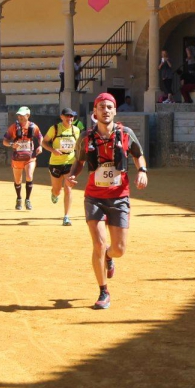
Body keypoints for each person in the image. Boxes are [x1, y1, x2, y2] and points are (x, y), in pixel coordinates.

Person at [66, 92, 148, 310]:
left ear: (115, 111)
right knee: (99, 244)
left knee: (119, 249)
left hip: (119, 197)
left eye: (109, 107)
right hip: (94, 197)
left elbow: (138, 154)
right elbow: (79, 160)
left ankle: (110, 258)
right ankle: (103, 291)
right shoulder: (86, 137)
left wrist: (142, 170)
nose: (105, 110)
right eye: (101, 107)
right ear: (95, 112)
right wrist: (73, 175)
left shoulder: (126, 134)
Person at [42, 108, 81, 226]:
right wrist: (53, 150)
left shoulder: (76, 130)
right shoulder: (54, 129)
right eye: (67, 116)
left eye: (72, 116)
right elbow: (44, 142)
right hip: (55, 163)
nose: (70, 118)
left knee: (68, 188)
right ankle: (54, 193)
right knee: (57, 190)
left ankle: (66, 217)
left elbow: (78, 146)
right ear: (62, 117)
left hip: (70, 162)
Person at [4, 106, 43, 210]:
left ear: (28, 115)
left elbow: (40, 137)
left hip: (30, 156)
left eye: (22, 115)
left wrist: (40, 146)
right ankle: (19, 198)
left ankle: (28, 199)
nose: (19, 117)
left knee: (29, 176)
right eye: (18, 115)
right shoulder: (13, 127)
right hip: (17, 157)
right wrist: (12, 144)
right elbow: (5, 141)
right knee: (18, 180)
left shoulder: (33, 127)